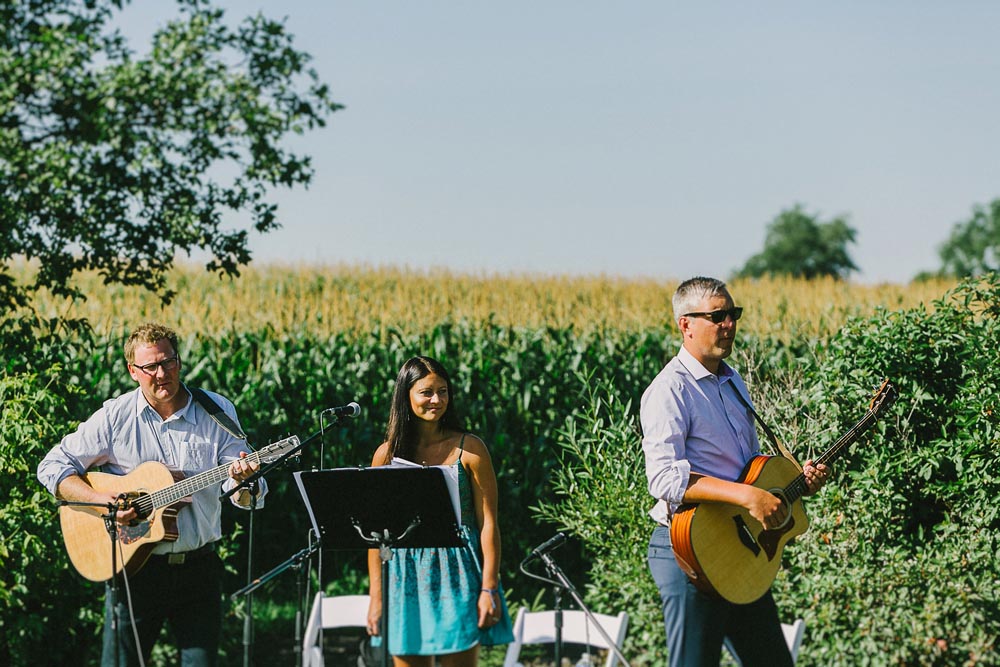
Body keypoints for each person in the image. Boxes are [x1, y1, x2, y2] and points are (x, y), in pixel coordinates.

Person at [37, 322, 266, 667]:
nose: (162, 373)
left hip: (199, 570)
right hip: (135, 572)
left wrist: (246, 481)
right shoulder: (116, 417)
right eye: (150, 367)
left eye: (169, 362)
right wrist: (105, 505)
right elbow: (53, 466)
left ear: (179, 361)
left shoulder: (216, 412)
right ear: (133, 370)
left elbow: (243, 494)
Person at [641, 277, 830, 667]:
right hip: (688, 549)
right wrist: (747, 496)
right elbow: (663, 479)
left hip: (738, 549)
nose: (729, 324)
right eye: (718, 316)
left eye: (733, 314)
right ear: (686, 324)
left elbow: (749, 467)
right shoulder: (669, 390)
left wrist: (792, 482)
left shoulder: (732, 381)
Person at [366, 356, 514, 666]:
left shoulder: (470, 449)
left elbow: (488, 523)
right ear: (406, 395)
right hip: (404, 571)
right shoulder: (386, 454)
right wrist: (376, 599)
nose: (437, 400)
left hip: (458, 569)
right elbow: (376, 534)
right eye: (427, 392)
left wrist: (489, 587)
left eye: (443, 391)